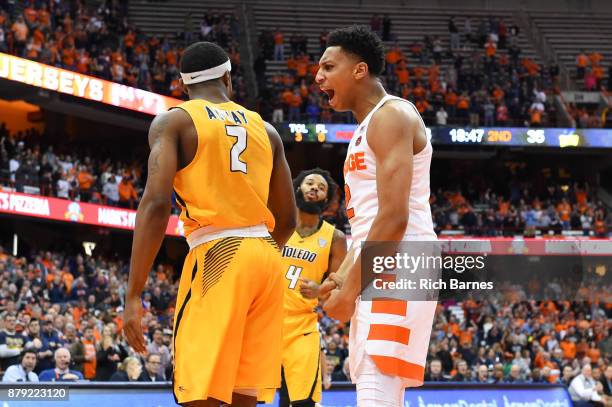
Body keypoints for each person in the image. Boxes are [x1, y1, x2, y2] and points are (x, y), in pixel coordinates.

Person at [124, 41, 296, 407]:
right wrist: (257, 251)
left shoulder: (175, 121)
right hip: (267, 257)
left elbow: (155, 205)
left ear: (185, 86)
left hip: (219, 251)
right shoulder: (267, 130)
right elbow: (289, 220)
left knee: (198, 392)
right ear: (228, 78)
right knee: (242, 393)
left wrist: (134, 293)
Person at [315, 26, 437, 407]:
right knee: (375, 380)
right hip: (389, 257)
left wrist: (350, 288)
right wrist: (342, 275)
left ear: (359, 70)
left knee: (375, 380)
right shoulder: (367, 125)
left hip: (400, 258)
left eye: (328, 66)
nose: (318, 76)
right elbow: (368, 224)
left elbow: (394, 217)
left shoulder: (391, 116)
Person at [258, 169, 347, 407]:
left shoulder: (335, 238)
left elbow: (339, 286)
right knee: (246, 396)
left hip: (302, 326)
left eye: (321, 187)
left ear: (327, 200)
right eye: (309, 183)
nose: (314, 188)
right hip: (265, 322)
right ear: (297, 188)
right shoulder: (273, 225)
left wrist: (321, 290)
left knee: (301, 401)